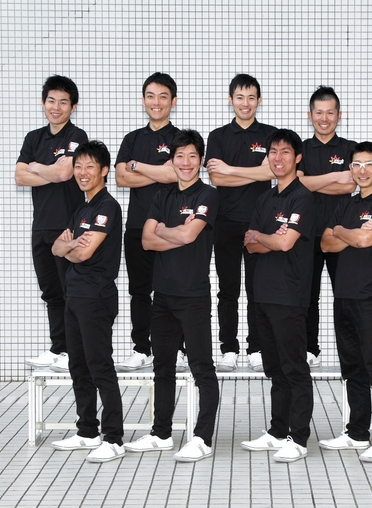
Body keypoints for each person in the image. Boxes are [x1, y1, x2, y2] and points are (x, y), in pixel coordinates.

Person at [125, 130, 219, 462]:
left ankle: (202, 438)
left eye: (192, 156)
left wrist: (166, 230)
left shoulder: (208, 195)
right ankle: (161, 434)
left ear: (201, 161)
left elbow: (190, 235)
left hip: (192, 296)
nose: (186, 162)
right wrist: (174, 232)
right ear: (172, 160)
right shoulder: (161, 196)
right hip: (162, 295)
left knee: (201, 367)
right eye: (180, 156)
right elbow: (147, 240)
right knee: (162, 366)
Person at [318, 142, 372, 462]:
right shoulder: (345, 204)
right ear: (350, 169)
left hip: (371, 297)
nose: (362, 170)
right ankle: (356, 433)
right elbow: (326, 244)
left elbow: (366, 239)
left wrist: (342, 231)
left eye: (369, 164)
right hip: (344, 296)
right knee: (352, 369)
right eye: (356, 164)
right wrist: (347, 231)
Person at [240, 129, 315, 463]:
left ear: (297, 158)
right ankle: (277, 431)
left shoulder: (303, 198)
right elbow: (249, 243)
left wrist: (265, 236)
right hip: (263, 294)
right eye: (273, 151)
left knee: (294, 367)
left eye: (285, 152)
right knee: (275, 368)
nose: (278, 157)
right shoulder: (265, 199)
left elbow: (284, 243)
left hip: (289, 295)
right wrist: (267, 237)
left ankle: (298, 438)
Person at [49, 140, 125, 463]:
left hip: (96, 297)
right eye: (78, 166)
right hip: (74, 296)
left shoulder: (108, 207)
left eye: (89, 166)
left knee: (99, 366)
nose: (82, 172)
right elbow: (56, 248)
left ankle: (114, 438)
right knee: (78, 366)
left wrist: (71, 248)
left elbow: (85, 252)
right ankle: (87, 431)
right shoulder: (81, 210)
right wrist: (70, 247)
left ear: (104, 170)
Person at [114, 73, 188, 372]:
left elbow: (176, 174)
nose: (156, 102)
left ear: (173, 101)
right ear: (143, 99)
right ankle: (141, 349)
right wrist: (159, 171)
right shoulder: (132, 138)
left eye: (162, 96)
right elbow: (121, 178)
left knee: (174, 289)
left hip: (172, 227)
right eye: (150, 96)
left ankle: (177, 349)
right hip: (137, 225)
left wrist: (137, 167)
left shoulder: (180, 138)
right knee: (140, 290)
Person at [16, 75, 88, 372]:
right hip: (41, 226)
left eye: (63, 102)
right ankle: (59, 348)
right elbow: (20, 176)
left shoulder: (77, 136)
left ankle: (74, 350)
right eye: (51, 101)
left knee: (70, 291)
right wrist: (48, 171)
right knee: (51, 292)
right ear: (43, 103)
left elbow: (64, 174)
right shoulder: (34, 138)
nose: (56, 107)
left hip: (67, 226)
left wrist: (36, 166)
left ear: (73, 106)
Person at [206, 74, 277, 372]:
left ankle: (257, 347)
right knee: (228, 290)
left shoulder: (271, 135)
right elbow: (216, 178)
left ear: (259, 101)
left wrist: (231, 169)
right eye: (239, 97)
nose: (245, 103)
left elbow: (271, 172)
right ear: (230, 99)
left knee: (258, 289)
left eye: (251, 97)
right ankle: (229, 348)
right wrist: (254, 172)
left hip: (260, 224)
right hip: (225, 221)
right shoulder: (218, 136)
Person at [297, 86, 357, 367]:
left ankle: (351, 353)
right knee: (307, 296)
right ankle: (309, 349)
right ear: (310, 115)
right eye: (319, 113)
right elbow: (298, 185)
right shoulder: (301, 149)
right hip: (307, 234)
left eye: (330, 113)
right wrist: (335, 177)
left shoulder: (349, 149)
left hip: (340, 235)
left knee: (345, 296)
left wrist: (312, 182)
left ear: (339, 115)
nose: (324, 118)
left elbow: (351, 185)